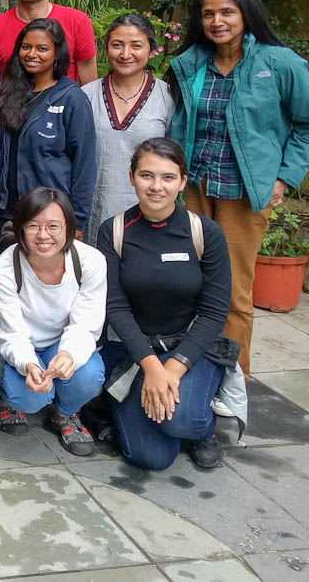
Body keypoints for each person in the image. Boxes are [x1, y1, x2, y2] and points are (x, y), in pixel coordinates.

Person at [168, 0, 309, 378]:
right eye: (208, 14)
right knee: (186, 282)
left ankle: (232, 381)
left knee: (233, 291)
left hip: (244, 195)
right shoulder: (191, 63)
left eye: (227, 12)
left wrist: (284, 178)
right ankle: (189, 373)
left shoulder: (279, 63)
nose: (217, 21)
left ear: (246, 13)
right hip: (195, 189)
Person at [96, 138, 235, 470]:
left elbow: (215, 311)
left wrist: (172, 368)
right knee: (151, 458)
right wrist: (152, 367)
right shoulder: (113, 231)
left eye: (168, 177)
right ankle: (148, 409)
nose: (156, 186)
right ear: (131, 177)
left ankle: (199, 427)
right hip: (134, 352)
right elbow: (115, 307)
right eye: (146, 175)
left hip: (190, 347)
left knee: (182, 421)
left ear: (183, 181)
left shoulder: (206, 233)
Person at [0, 188, 107, 455]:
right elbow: (11, 333)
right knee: (29, 398)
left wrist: (68, 354)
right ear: (20, 228)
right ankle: (7, 400)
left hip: (61, 342)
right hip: (19, 345)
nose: (43, 235)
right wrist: (29, 365)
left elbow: (86, 323)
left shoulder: (91, 262)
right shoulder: (3, 269)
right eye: (33, 226)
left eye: (53, 226)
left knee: (89, 375)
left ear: (68, 227)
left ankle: (66, 413)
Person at [0, 18, 97, 234]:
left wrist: (77, 220)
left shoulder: (72, 99)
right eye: (26, 47)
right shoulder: (9, 92)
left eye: (42, 49)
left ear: (57, 53)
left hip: (50, 214)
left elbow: (85, 163)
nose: (32, 54)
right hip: (6, 211)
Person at [82, 13, 174, 238]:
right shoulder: (86, 96)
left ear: (151, 49)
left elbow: (176, 159)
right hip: (94, 216)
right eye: (117, 45)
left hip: (150, 215)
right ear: (106, 49)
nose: (125, 54)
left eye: (136, 46)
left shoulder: (167, 96)